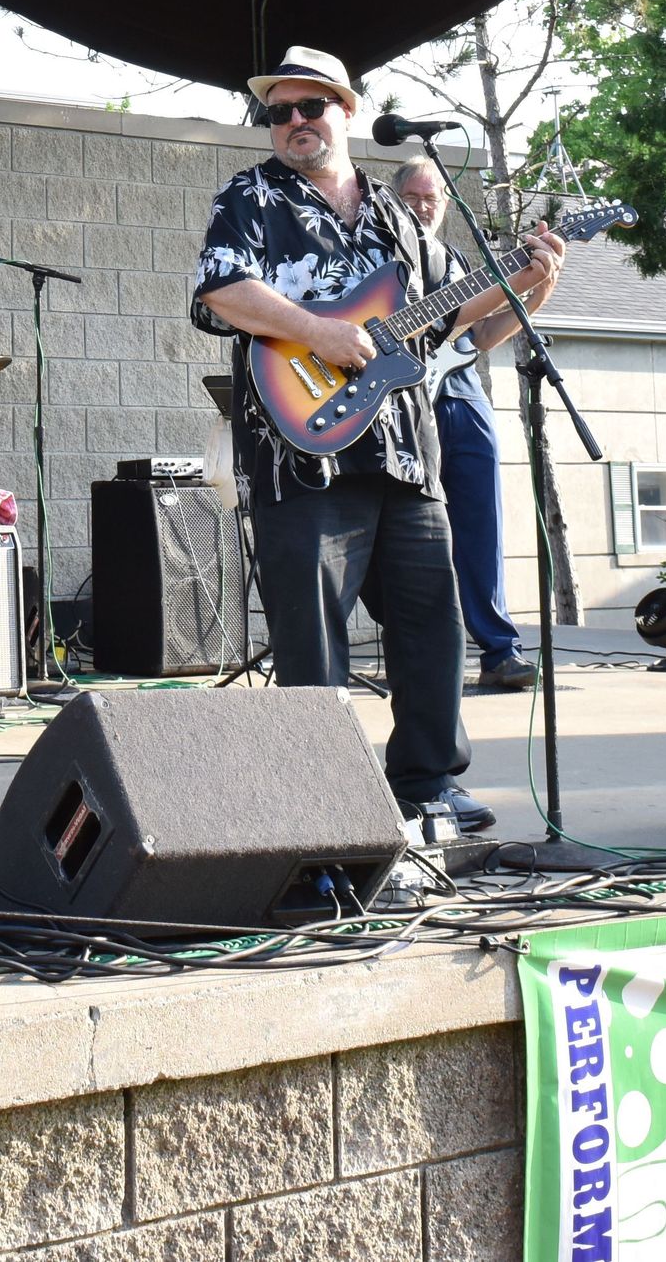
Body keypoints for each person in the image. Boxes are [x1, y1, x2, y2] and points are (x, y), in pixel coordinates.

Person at [191, 49, 562, 831]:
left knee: (432, 623)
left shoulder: (399, 215)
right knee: (313, 638)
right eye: (278, 112)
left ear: (346, 110)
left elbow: (451, 316)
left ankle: (428, 783)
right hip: (304, 458)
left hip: (404, 450)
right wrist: (318, 331)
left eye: (309, 107)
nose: (293, 122)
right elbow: (223, 289)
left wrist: (531, 277)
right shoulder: (252, 195)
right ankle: (326, 802)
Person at [391, 157, 539, 695]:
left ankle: (501, 652)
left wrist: (539, 283)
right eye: (413, 197)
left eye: (433, 199)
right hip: (406, 404)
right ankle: (424, 654)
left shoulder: (455, 264)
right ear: (393, 200)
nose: (424, 207)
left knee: (481, 526)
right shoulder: (383, 263)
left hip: (462, 395)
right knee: (415, 532)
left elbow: (482, 336)